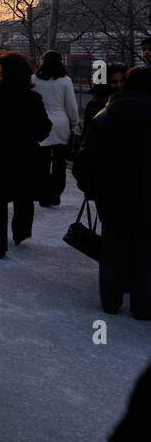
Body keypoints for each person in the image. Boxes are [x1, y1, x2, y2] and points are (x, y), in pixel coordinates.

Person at [73, 65, 151, 318]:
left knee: (113, 246)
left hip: (112, 194)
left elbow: (84, 160)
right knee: (145, 249)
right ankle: (143, 305)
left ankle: (111, 300)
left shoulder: (104, 118)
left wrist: (90, 187)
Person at [0, 52, 52, 258]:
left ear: (1, 70)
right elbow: (44, 128)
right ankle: (20, 232)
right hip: (25, 154)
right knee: (23, 196)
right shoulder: (32, 98)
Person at [33, 50, 80, 207]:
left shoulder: (34, 79)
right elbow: (71, 105)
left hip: (40, 124)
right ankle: (56, 192)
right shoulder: (65, 81)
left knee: (43, 162)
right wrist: (74, 123)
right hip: (61, 125)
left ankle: (44, 193)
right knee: (59, 163)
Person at [82, 63, 126, 133]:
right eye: (113, 82)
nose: (119, 85)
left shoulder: (127, 103)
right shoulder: (94, 106)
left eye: (121, 81)